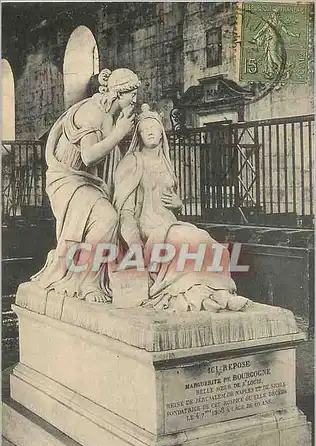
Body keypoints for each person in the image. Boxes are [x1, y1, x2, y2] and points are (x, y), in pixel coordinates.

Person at [113, 104, 249, 312]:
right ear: (138, 135)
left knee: (208, 243)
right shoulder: (132, 162)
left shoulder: (167, 162)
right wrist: (133, 243)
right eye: (144, 128)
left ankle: (215, 294)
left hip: (170, 223)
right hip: (148, 229)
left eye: (154, 127)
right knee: (188, 242)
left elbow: (173, 205)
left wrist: (179, 204)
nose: (149, 131)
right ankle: (202, 296)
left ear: (161, 132)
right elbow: (125, 211)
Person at [32, 68, 141, 303]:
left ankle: (91, 276)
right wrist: (119, 132)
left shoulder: (109, 116)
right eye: (132, 93)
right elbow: (90, 156)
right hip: (68, 180)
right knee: (107, 218)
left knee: (111, 218)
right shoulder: (93, 112)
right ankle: (86, 282)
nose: (135, 98)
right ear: (119, 93)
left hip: (86, 182)